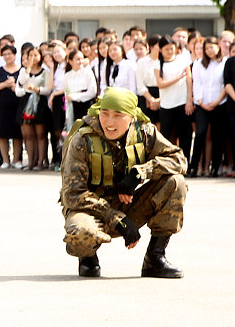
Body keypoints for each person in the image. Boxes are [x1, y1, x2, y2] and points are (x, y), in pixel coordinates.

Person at [61, 88, 186, 279]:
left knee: (175, 182)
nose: (109, 122)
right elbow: (72, 195)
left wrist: (140, 173)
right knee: (81, 234)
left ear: (131, 118)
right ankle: (87, 257)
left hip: (128, 204)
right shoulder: (83, 140)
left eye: (118, 116)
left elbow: (178, 159)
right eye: (105, 114)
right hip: (91, 210)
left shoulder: (145, 133)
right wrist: (116, 219)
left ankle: (155, 257)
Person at [189, 37, 227, 177]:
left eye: (212, 47)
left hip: (219, 104)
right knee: (200, 133)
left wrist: (217, 101)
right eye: (207, 48)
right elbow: (196, 83)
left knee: (217, 137)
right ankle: (194, 167)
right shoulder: (198, 63)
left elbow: (225, 84)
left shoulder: (224, 62)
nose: (210, 50)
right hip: (202, 104)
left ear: (218, 47)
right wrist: (201, 101)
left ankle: (214, 168)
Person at [155, 38, 194, 166]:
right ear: (161, 50)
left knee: (185, 135)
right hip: (166, 105)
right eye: (166, 49)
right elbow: (160, 84)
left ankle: (185, 162)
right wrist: (177, 78)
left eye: (171, 48)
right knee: (166, 136)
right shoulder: (157, 64)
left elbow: (189, 80)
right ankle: (168, 163)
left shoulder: (182, 60)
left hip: (182, 103)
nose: (169, 51)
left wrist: (189, 100)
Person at [16, 46, 53, 170]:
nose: (33, 58)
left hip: (40, 101)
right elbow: (21, 82)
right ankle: (30, 161)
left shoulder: (45, 71)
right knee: (28, 135)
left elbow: (48, 89)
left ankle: (40, 161)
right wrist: (28, 67)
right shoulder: (23, 71)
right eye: (30, 55)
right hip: (26, 101)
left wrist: (37, 90)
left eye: (36, 55)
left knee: (41, 134)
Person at [0, 44, 23, 168]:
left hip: (17, 104)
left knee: (17, 133)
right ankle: (5, 160)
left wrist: (16, 87)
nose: (7, 56)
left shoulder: (21, 70)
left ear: (14, 55)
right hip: (2, 105)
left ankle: (16, 160)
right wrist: (5, 84)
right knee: (2, 133)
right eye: (5, 54)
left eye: (10, 54)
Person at [64, 48, 99, 128]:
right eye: (77, 59)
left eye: (82, 59)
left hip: (87, 105)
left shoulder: (88, 72)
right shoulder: (67, 75)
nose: (80, 61)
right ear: (70, 61)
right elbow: (67, 92)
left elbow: (93, 91)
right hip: (73, 107)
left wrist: (75, 96)